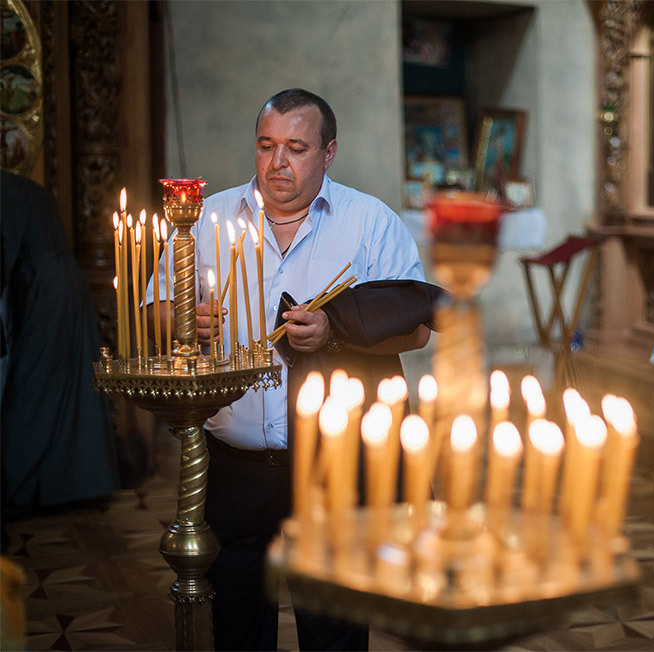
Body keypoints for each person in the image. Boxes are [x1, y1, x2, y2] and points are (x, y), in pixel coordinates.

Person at [148, 89, 433, 651]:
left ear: (328, 153)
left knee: (333, 631)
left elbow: (417, 328)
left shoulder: (369, 222)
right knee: (237, 626)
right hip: (232, 465)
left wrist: (336, 331)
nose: (277, 162)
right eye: (266, 145)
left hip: (330, 463)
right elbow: (155, 309)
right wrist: (185, 320)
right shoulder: (205, 218)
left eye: (296, 148)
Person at [1, 171, 119, 541]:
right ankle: (59, 486)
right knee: (62, 386)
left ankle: (15, 490)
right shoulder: (19, 185)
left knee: (32, 390)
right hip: (57, 287)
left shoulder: (5, 189)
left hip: (46, 294)